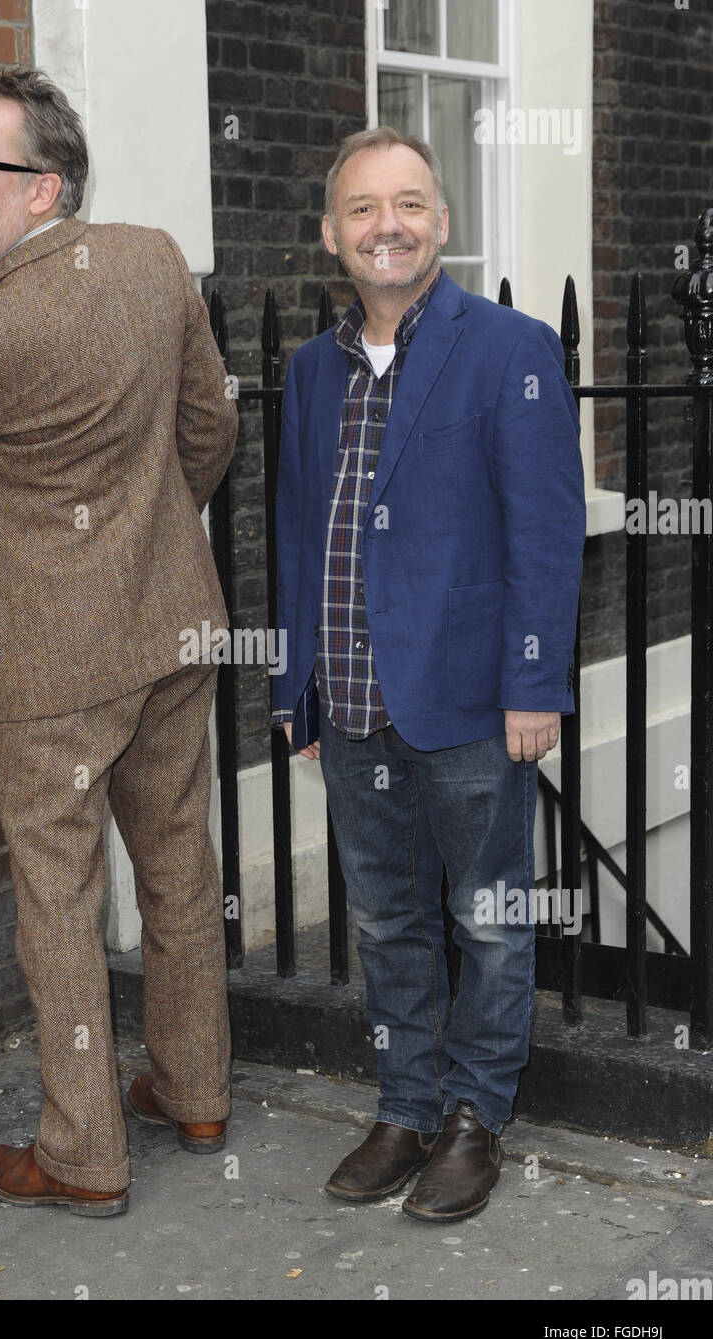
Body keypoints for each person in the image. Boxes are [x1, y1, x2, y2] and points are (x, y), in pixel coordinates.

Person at [0, 65, 238, 1216]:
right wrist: (149, 533)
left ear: (44, 188)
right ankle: (195, 1089)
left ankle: (82, 1155)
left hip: (52, 670)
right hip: (168, 628)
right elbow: (207, 430)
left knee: (58, 903)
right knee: (176, 866)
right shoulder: (156, 260)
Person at [271, 127, 586, 1222]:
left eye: (408, 203)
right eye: (362, 209)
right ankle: (405, 1104)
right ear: (331, 235)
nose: (386, 225)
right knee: (390, 920)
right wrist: (294, 685)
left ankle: (474, 1115)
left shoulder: (512, 350)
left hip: (468, 701)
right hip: (353, 701)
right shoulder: (313, 370)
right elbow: (298, 536)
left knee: (490, 917)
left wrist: (536, 683)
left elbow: (545, 533)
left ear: (441, 223)